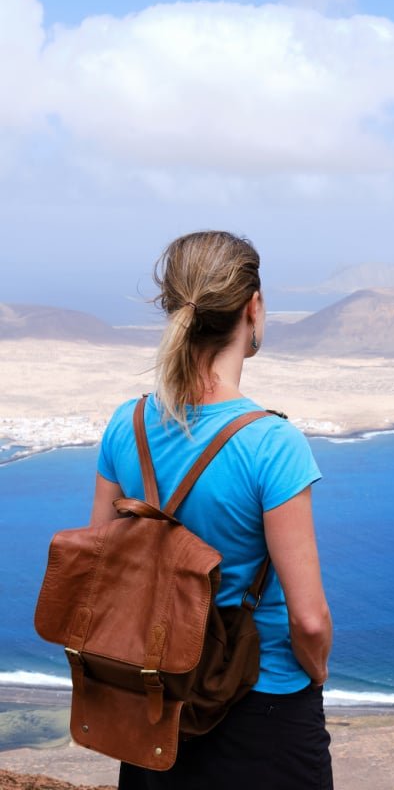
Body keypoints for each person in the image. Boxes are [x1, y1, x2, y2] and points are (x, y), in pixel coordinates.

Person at [88, 231, 333, 789]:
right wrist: (314, 675)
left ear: (173, 308)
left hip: (157, 698)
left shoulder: (127, 425)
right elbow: (310, 620)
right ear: (254, 308)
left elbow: (100, 563)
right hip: (263, 703)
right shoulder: (272, 443)